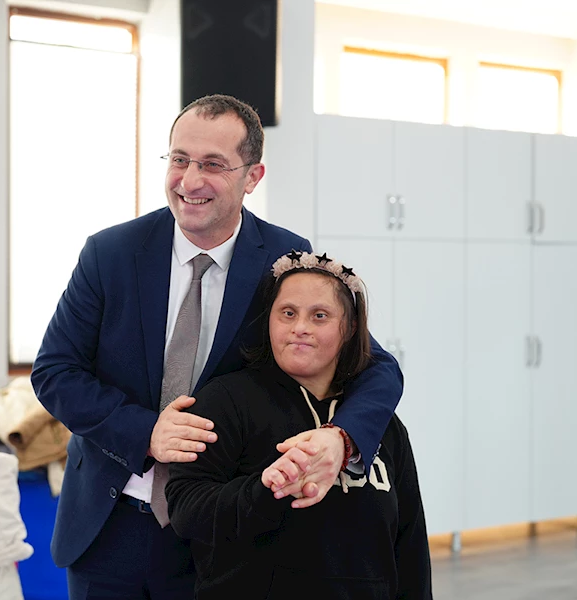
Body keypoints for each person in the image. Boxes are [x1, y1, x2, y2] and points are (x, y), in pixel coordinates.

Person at [31, 94, 404, 600]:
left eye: (212, 164)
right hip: (107, 523)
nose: (189, 180)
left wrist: (342, 440)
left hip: (220, 531)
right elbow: (55, 371)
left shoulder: (282, 259)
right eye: (179, 159)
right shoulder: (110, 253)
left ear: (252, 177)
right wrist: (146, 432)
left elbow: (376, 366)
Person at [166, 251, 432, 599]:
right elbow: (186, 510)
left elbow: (410, 547)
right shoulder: (225, 401)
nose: (300, 328)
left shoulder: (381, 425)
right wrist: (263, 490)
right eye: (288, 313)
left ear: (351, 328)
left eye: (320, 316)